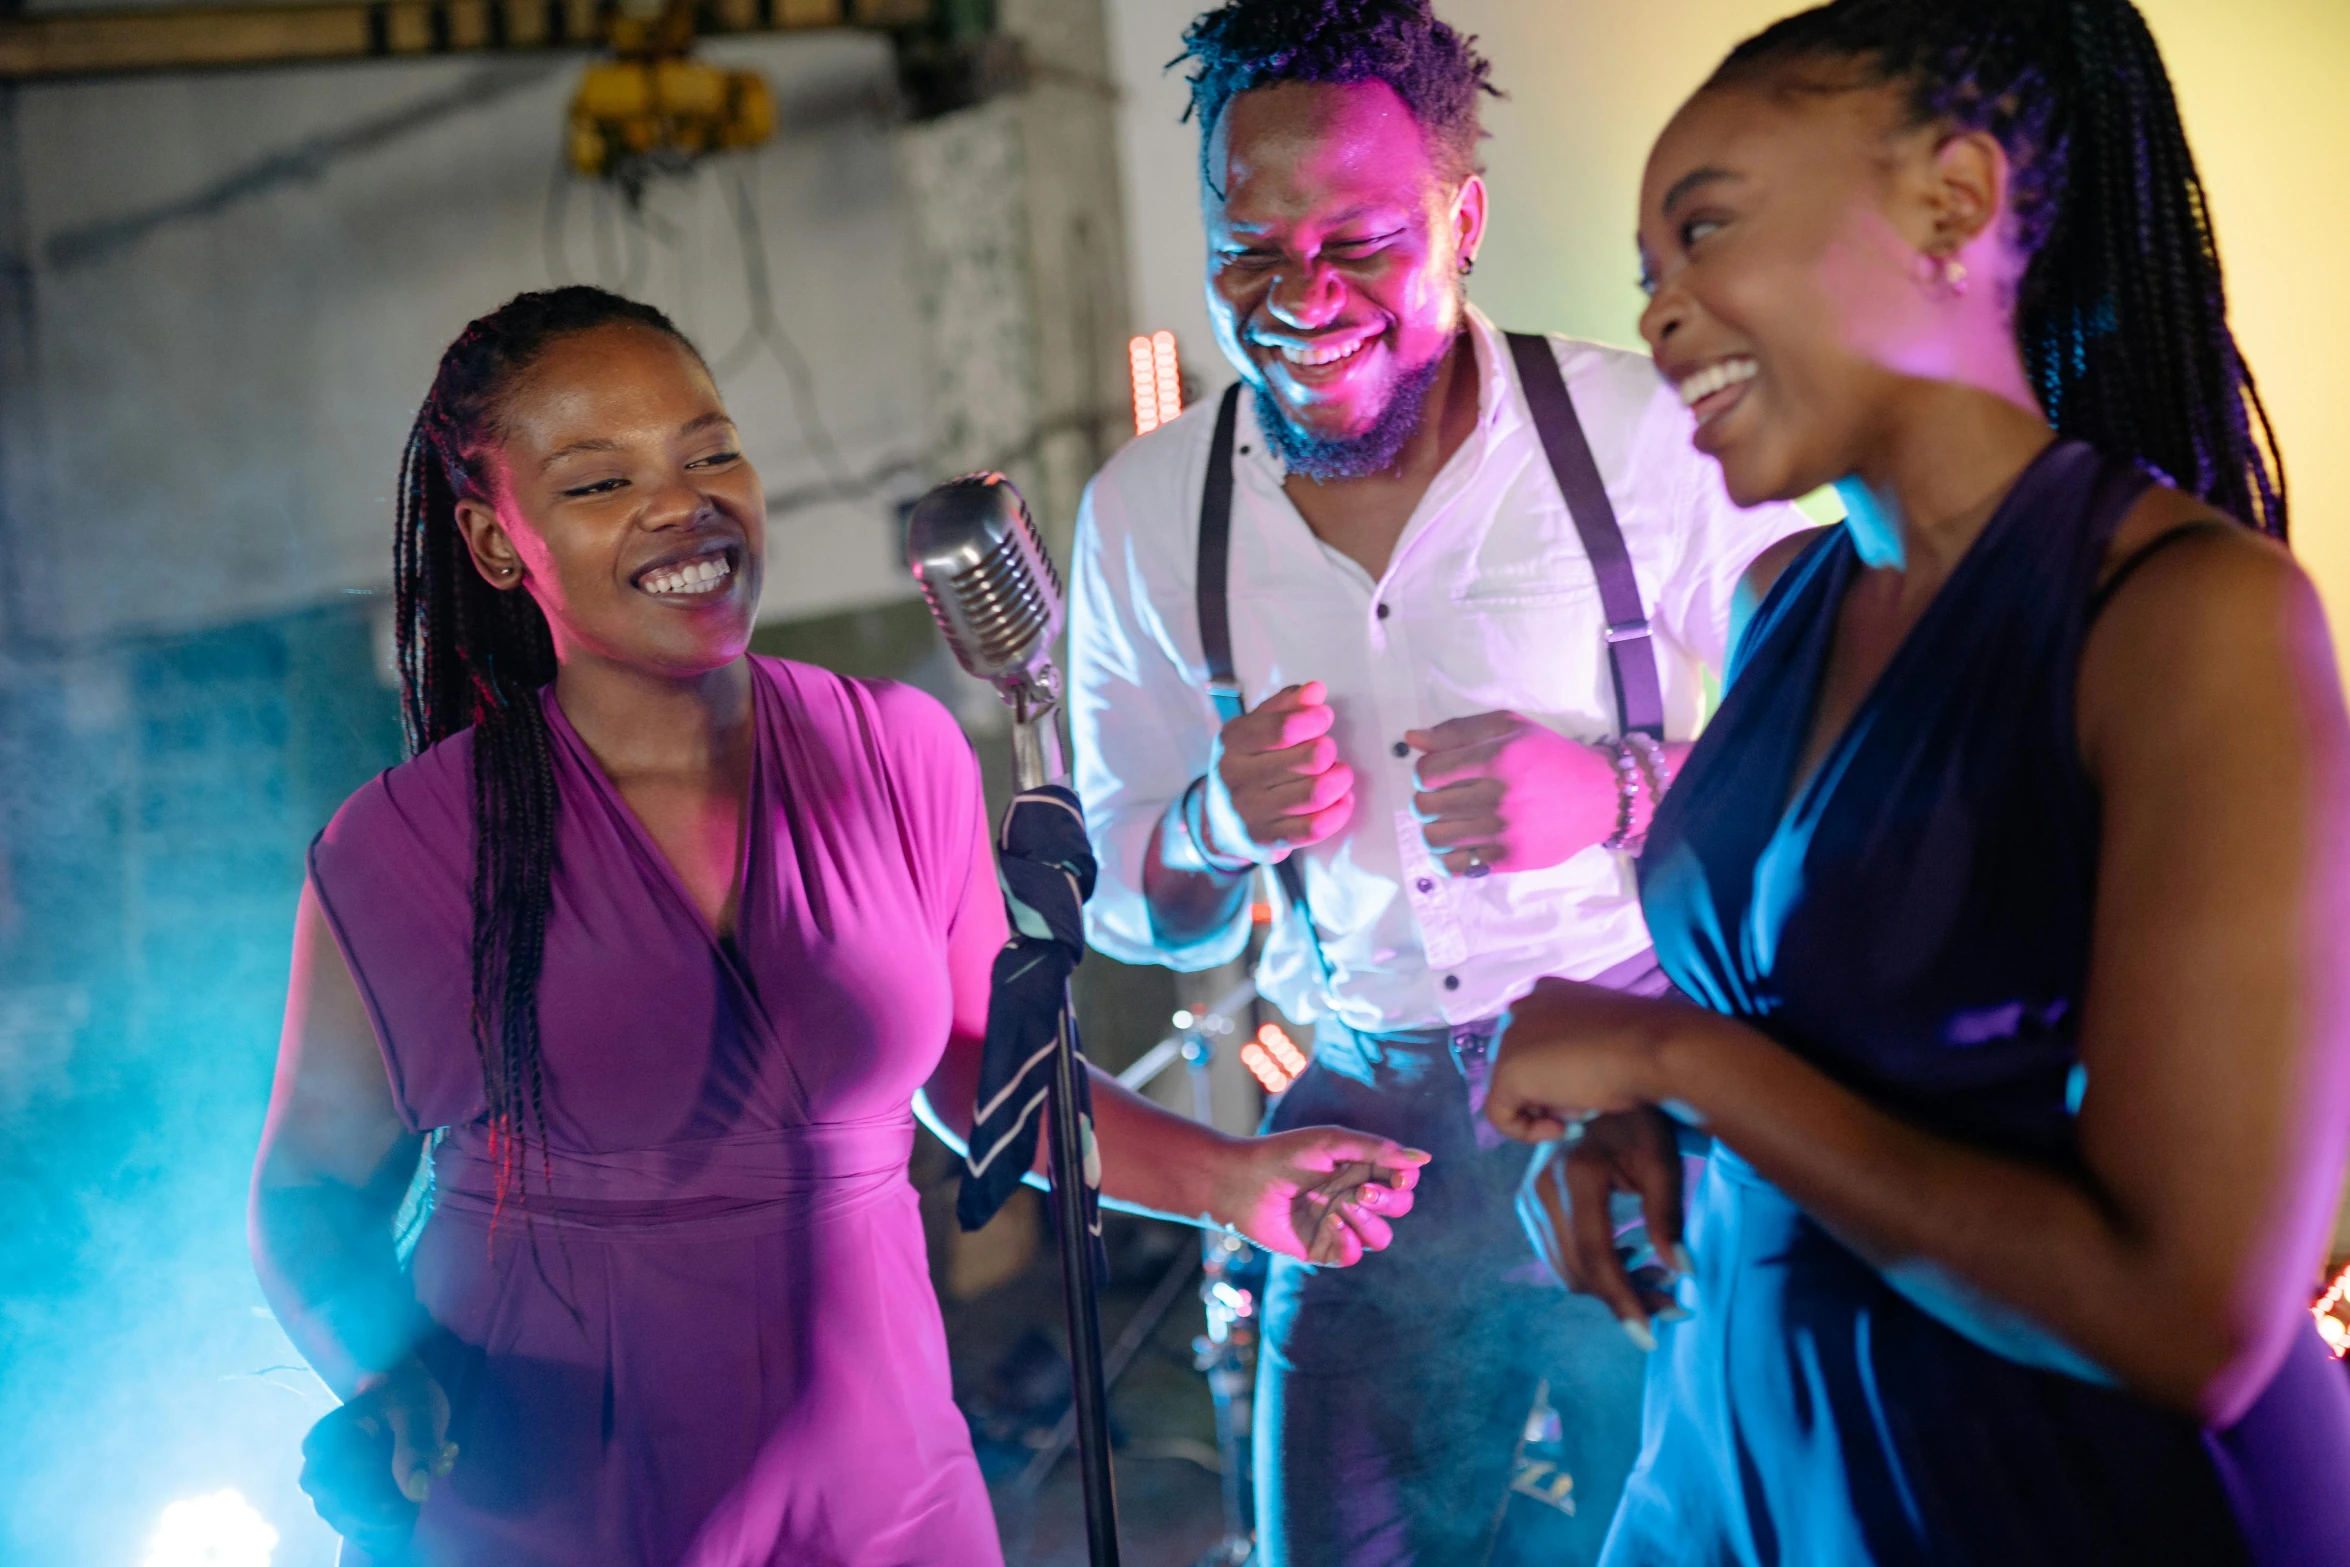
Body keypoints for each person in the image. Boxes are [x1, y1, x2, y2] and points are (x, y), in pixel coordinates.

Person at [247, 286, 1431, 1567]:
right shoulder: (406, 847)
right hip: (557, 1505)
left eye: (710, 452)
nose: (681, 503)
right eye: (600, 483)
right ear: (494, 540)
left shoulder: (898, 752)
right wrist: (387, 1376)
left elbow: (992, 1077)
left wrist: (1231, 1181)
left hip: (887, 1489)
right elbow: (310, 1186)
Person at [1482, 1, 2350, 1561]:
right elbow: (1834, 1041)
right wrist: (1663, 1131)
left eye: (1705, 231)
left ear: (1950, 204)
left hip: (2050, 1489)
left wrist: (1675, 1056)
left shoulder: (2187, 616)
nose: (1663, 313)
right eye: (1647, 276)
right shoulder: (1779, 604)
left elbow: (2190, 1319)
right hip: (1745, 1451)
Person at [1066, 3, 1812, 1560]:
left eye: (1360, 240)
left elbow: (1827, 766)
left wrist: (1614, 788)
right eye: (1248, 248)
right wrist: (1213, 818)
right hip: (1360, 1122)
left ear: (1463, 220)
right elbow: (1130, 906)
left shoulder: (1636, 431)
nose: (1301, 299)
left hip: (1646, 1081)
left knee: (1700, 1531)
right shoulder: (1145, 512)